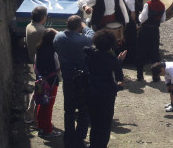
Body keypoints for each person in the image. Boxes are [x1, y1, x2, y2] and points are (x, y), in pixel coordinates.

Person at [53, 15, 94, 148]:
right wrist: (85, 26)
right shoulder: (82, 40)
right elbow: (92, 36)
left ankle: (68, 139)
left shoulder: (58, 37)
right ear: (78, 27)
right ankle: (79, 139)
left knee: (69, 110)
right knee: (84, 109)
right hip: (81, 78)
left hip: (67, 78)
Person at [84, 29, 126, 148]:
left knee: (94, 123)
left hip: (91, 92)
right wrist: (119, 61)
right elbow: (119, 79)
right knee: (105, 125)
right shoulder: (112, 59)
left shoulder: (90, 54)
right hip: (106, 96)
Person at [33, 29, 61, 138]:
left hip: (40, 81)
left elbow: (36, 65)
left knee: (41, 102)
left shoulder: (38, 50)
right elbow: (58, 68)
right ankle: (47, 129)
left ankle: (40, 124)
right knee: (49, 106)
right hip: (51, 82)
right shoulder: (53, 52)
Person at [136, 0, 166, 82]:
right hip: (155, 31)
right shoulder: (162, 5)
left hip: (145, 31)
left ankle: (140, 76)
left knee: (141, 52)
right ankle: (156, 76)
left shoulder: (147, 5)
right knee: (154, 53)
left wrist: (139, 15)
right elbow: (163, 19)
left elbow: (142, 19)